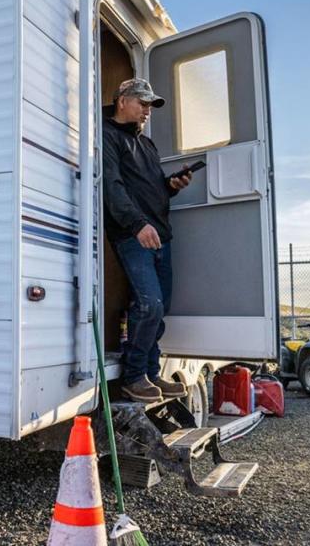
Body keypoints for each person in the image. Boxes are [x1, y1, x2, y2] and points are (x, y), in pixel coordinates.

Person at [103, 78, 192, 403]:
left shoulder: (148, 145)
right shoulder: (107, 135)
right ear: (122, 100)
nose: (147, 111)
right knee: (149, 303)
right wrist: (138, 224)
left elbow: (152, 188)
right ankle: (134, 375)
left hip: (159, 234)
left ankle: (152, 372)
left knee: (160, 307)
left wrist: (172, 185)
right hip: (133, 234)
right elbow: (113, 187)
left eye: (150, 106)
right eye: (143, 103)